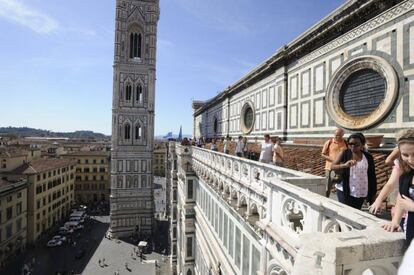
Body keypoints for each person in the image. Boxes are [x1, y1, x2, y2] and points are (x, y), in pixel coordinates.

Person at [382, 129, 414, 247]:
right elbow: (402, 199)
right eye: (405, 155)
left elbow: (408, 205)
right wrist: (395, 221)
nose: (411, 160)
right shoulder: (406, 176)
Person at [331, 133, 377, 210]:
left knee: (356, 212)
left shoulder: (368, 157)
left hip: (360, 191)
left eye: (356, 144)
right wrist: (344, 165)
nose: (353, 146)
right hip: (345, 189)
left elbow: (372, 175)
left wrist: (373, 193)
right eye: (350, 144)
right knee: (345, 212)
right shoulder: (344, 153)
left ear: (362, 144)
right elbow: (332, 166)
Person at [321, 128, 348, 197]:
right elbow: (323, 154)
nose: (337, 137)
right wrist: (333, 160)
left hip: (341, 167)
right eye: (336, 135)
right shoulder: (329, 142)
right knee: (327, 185)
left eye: (339, 135)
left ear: (343, 135)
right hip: (329, 167)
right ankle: (326, 199)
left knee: (341, 183)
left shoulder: (345, 143)